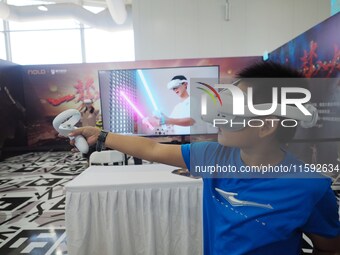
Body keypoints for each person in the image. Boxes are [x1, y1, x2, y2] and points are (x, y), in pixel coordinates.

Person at [69, 62, 340, 254]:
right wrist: (100, 135)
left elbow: (329, 247)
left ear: (267, 126)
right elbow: (152, 150)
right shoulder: (214, 155)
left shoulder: (310, 186)